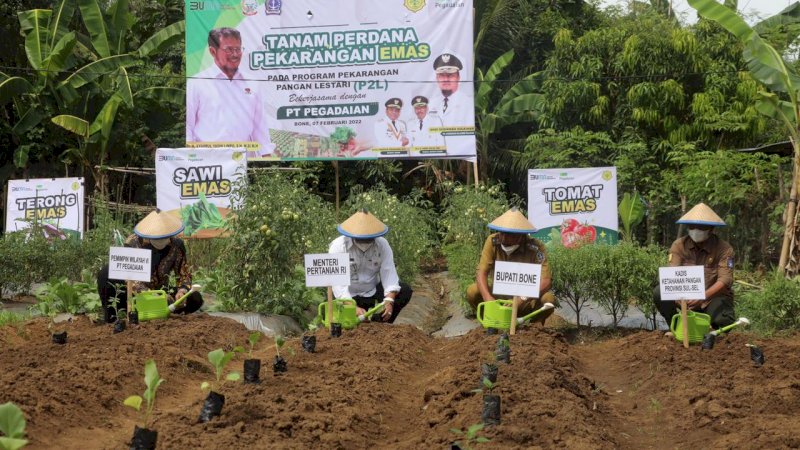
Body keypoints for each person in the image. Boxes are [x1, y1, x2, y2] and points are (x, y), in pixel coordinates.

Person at [96, 210, 203, 323]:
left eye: (164, 237)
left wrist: (182, 291)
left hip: (162, 292)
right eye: (156, 237)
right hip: (137, 295)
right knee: (105, 272)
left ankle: (165, 314)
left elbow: (183, 275)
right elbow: (129, 278)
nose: (161, 241)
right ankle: (113, 317)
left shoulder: (177, 245)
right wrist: (154, 296)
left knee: (195, 298)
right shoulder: (133, 243)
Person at [186, 27, 274, 156]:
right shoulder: (197, 83)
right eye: (228, 49)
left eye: (238, 49)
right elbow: (188, 125)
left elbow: (260, 127)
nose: (235, 54)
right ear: (212, 51)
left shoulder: (253, 82)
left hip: (244, 161)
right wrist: (190, 158)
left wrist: (266, 158)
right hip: (208, 160)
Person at [466, 208, 556, 325]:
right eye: (501, 232)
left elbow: (546, 281)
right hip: (499, 299)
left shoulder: (536, 248)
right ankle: (491, 323)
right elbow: (481, 272)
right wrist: (488, 299)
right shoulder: (492, 241)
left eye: (508, 234)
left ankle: (533, 329)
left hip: (526, 301)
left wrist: (522, 299)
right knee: (473, 291)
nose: (503, 238)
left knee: (548, 299)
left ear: (521, 235)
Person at [654, 203, 735, 329]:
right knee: (660, 292)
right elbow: (672, 274)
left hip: (710, 299)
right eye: (692, 226)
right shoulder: (679, 245)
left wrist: (702, 296)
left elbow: (725, 280)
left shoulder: (724, 249)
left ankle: (713, 332)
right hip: (684, 298)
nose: (696, 230)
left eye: (701, 227)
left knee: (723, 320)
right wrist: (679, 298)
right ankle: (676, 327)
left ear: (711, 229)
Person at [328, 210, 412, 323]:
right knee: (345, 325)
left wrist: (389, 300)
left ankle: (380, 323)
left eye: (368, 239)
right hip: (348, 293)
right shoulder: (338, 246)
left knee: (404, 290)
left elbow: (389, 274)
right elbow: (338, 284)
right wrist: (352, 307)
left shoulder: (382, 245)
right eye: (361, 239)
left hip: (371, 289)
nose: (365, 243)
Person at [428, 53, 473, 128]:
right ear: (437, 79)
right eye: (442, 75)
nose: (446, 79)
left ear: (458, 78)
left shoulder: (468, 103)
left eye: (450, 75)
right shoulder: (431, 104)